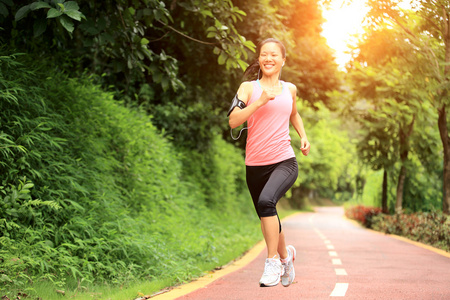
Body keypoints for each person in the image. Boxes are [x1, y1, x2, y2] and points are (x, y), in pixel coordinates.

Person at [228, 38, 310, 287]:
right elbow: (233, 121)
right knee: (268, 214)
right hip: (254, 165)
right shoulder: (248, 88)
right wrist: (261, 101)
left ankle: (272, 261)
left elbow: (294, 113)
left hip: (284, 160)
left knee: (266, 203)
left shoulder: (290, 89)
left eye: (274, 55)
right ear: (259, 59)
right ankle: (287, 258)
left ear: (283, 60)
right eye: (264, 54)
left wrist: (303, 136)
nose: (268, 59)